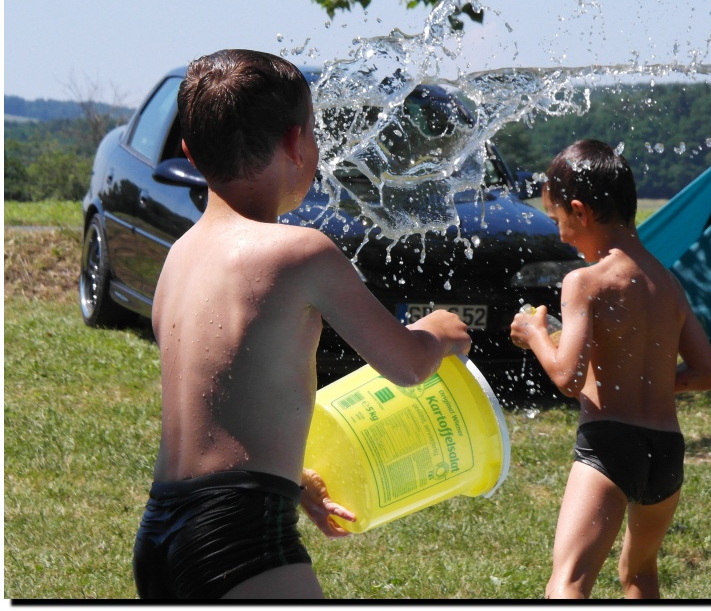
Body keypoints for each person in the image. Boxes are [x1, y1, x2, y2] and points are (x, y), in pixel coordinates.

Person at [132, 49, 471, 600]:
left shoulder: (180, 257)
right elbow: (407, 365)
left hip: (163, 531)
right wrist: (440, 332)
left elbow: (225, 395)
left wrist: (292, 482)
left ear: (190, 154)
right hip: (237, 533)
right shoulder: (302, 252)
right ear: (297, 143)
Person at [510, 139, 711, 600]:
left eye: (557, 217)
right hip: (666, 451)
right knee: (640, 575)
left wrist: (534, 334)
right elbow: (706, 374)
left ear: (581, 212)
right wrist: (652, 383)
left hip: (610, 444)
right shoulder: (666, 282)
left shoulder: (585, 281)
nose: (560, 233)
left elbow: (567, 378)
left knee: (568, 583)